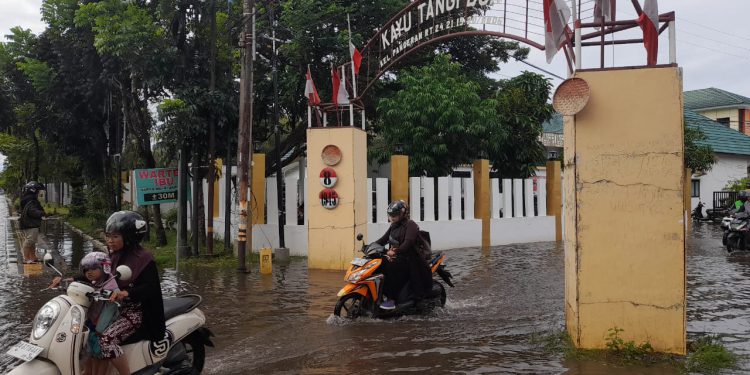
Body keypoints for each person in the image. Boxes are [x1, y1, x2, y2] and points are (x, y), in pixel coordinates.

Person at [97, 211, 165, 375]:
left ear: (129, 237)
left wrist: (126, 293)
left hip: (136, 312)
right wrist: (73, 279)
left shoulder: (143, 259)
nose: (110, 241)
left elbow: (151, 287)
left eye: (115, 237)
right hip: (114, 309)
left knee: (106, 340)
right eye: (108, 236)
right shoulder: (114, 256)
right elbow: (99, 274)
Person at [52, 252, 120, 375]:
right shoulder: (94, 281)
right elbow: (76, 283)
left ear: (104, 267)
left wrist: (100, 328)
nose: (89, 272)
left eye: (94, 268)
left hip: (103, 324)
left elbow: (111, 308)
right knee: (88, 349)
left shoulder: (110, 284)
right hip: (92, 320)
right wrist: (61, 282)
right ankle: (87, 372)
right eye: (86, 269)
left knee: (99, 351)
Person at [374, 200, 432, 310]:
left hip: (411, 260)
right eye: (390, 215)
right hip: (398, 257)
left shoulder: (411, 225)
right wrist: (369, 246)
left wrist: (394, 251)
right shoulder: (393, 226)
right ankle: (379, 294)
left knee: (391, 268)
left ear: (402, 213)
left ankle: (392, 299)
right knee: (379, 264)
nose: (392, 217)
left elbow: (408, 243)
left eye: (395, 215)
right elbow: (383, 240)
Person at [18, 181, 46, 263]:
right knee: (29, 240)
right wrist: (42, 213)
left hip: (30, 223)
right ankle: (26, 258)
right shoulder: (30, 200)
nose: (39, 192)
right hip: (30, 223)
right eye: (38, 190)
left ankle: (33, 257)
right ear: (33, 190)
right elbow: (32, 211)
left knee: (32, 241)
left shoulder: (27, 198)